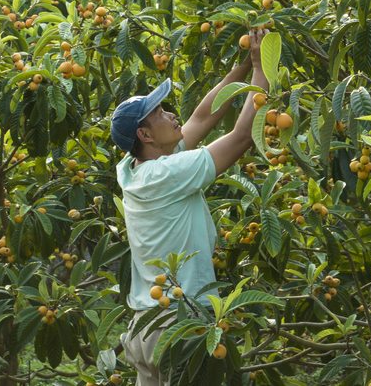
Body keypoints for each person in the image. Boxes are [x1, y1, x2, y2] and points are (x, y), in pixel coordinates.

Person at [111, 29, 268, 385]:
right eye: (161, 113)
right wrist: (262, 70)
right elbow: (242, 137)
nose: (172, 115)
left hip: (147, 326)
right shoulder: (166, 174)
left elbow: (199, 119)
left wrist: (243, 68)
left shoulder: (132, 170)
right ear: (145, 136)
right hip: (177, 325)